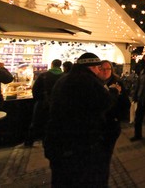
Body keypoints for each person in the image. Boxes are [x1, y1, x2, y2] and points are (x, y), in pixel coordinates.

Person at [44, 52, 112, 187]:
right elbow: (104, 102)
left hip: (58, 140)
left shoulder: (66, 78)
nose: (100, 70)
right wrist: (114, 92)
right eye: (98, 67)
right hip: (78, 143)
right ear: (91, 67)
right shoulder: (86, 80)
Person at [98, 60, 131, 167]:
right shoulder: (94, 83)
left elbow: (125, 103)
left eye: (108, 69)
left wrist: (118, 117)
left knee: (106, 153)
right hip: (97, 124)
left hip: (112, 123)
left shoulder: (117, 83)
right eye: (102, 69)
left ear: (112, 70)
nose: (105, 71)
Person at [25, 59, 63, 147]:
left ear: (52, 64)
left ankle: (29, 141)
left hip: (42, 102)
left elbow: (35, 89)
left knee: (36, 122)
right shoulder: (64, 76)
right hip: (57, 104)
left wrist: (38, 99)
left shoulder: (43, 75)